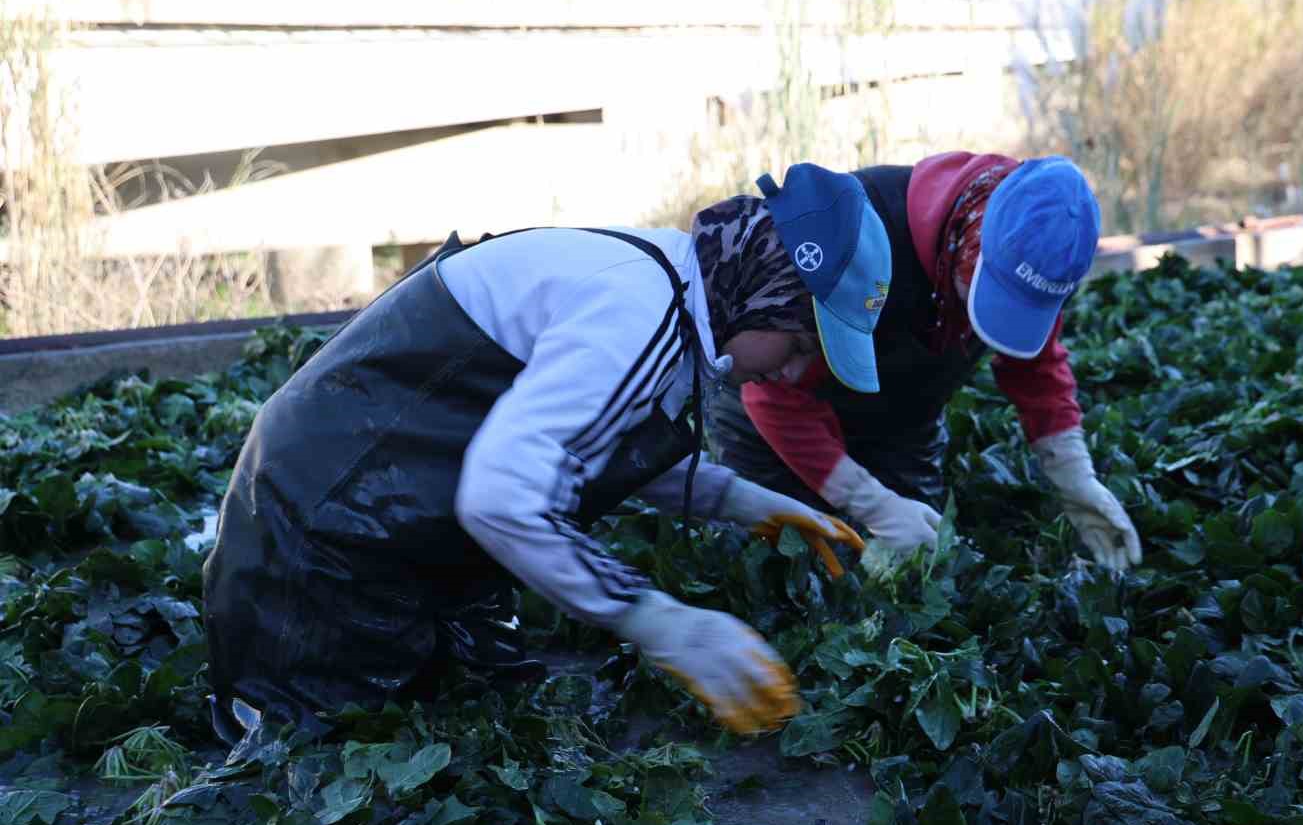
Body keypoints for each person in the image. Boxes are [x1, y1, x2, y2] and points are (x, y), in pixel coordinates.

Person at [202, 170, 893, 743]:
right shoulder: (636, 310)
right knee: (319, 772)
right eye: (799, 345)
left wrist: (738, 500)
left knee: (458, 731)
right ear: (763, 287)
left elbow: (581, 440)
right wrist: (658, 620)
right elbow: (501, 498)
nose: (792, 374)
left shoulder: (669, 288)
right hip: (321, 535)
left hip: (391, 518)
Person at [704, 151, 1142, 571]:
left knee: (918, 563)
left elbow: (1036, 367)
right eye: (991, 298)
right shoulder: (862, 234)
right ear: (972, 244)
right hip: (771, 411)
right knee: (786, 559)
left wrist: (1073, 473)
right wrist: (868, 501)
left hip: (900, 422)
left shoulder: (1040, 250)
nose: (991, 324)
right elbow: (775, 400)